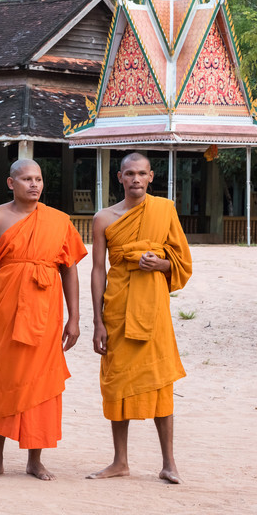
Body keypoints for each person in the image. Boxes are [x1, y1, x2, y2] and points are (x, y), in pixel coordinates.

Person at [0, 159, 87, 480]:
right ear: (10, 183)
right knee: (2, 381)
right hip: (6, 313)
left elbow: (69, 269)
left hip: (46, 315)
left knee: (41, 383)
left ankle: (35, 460)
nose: (34, 185)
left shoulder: (58, 221)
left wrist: (75, 318)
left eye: (39, 179)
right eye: (27, 179)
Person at [88, 152, 192, 484]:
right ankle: (120, 461)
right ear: (119, 177)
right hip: (117, 307)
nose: (136, 179)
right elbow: (97, 269)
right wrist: (97, 321)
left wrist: (159, 264)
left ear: (151, 177)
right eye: (129, 173)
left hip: (153, 307)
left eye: (142, 174)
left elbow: (182, 261)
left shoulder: (165, 210)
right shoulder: (103, 218)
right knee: (117, 381)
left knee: (161, 380)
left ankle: (169, 463)